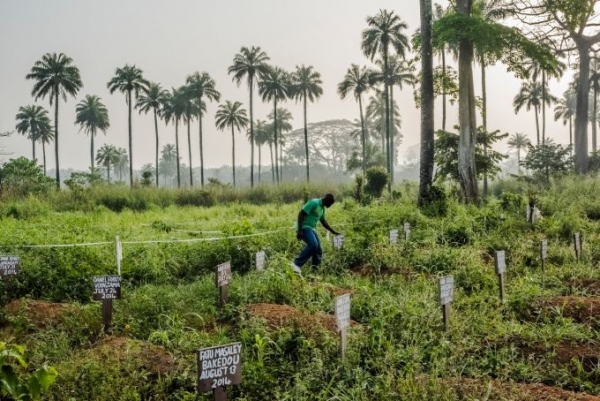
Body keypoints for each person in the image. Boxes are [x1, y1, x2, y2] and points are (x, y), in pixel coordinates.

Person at [291, 193, 340, 274]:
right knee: (313, 244)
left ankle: (314, 272)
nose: (330, 206)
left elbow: (323, 221)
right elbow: (301, 213)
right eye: (330, 204)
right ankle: (296, 264)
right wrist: (300, 230)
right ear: (327, 200)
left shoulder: (322, 208)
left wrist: (333, 231)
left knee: (318, 251)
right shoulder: (314, 203)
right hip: (304, 227)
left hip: (311, 229)